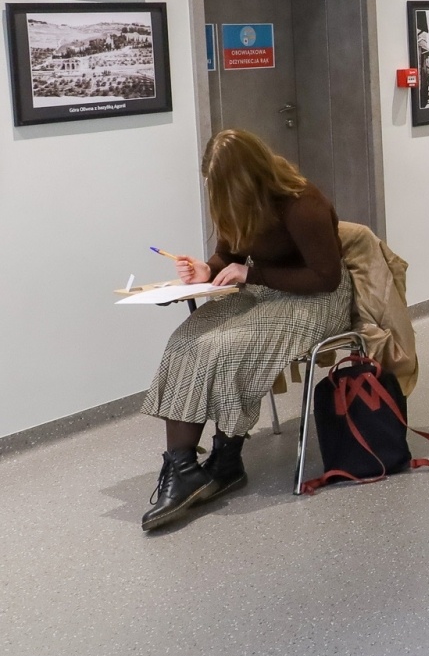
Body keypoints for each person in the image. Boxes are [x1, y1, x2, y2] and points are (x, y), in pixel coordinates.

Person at [141, 130, 354, 531]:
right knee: (186, 341)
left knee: (222, 346)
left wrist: (250, 272)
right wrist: (208, 269)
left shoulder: (301, 204)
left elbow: (325, 278)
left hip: (315, 301)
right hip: (264, 288)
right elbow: (229, 254)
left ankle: (226, 455)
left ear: (250, 180)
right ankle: (183, 466)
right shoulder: (242, 204)